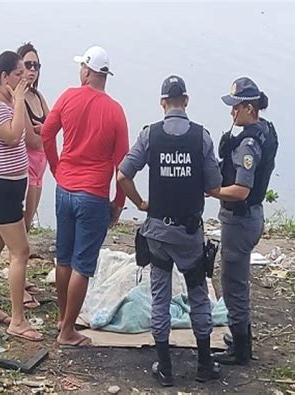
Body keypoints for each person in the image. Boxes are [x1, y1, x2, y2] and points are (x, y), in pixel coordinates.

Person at [117, 76, 222, 386]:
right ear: (186, 101)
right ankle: (204, 365)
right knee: (199, 296)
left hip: (158, 233)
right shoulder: (201, 137)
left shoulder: (151, 135)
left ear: (163, 103)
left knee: (160, 297)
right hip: (189, 236)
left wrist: (140, 203)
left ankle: (164, 368)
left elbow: (123, 175)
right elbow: (214, 185)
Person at [42, 46, 129, 347]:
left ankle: (62, 318)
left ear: (88, 72)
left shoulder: (67, 97)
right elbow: (123, 166)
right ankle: (67, 330)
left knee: (64, 258)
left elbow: (46, 134)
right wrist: (118, 204)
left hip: (64, 189)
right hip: (92, 195)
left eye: (82, 67)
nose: (80, 71)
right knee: (83, 264)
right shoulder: (115, 110)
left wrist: (56, 168)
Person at [210, 77, 278, 365]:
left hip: (240, 221)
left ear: (249, 108)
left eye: (236, 107)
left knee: (233, 282)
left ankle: (240, 349)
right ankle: (241, 336)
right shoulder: (263, 132)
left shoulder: (249, 144)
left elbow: (241, 190)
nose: (232, 113)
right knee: (238, 281)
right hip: (249, 218)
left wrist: (212, 191)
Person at [0, 50, 43, 341]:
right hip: (0, 189)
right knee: (21, 251)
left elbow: (29, 136)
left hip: (9, 186)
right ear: (4, 77)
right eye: (18, 73)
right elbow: (13, 136)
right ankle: (17, 319)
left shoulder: (6, 100)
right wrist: (18, 100)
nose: (24, 77)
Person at [16, 42, 50, 309]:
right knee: (22, 224)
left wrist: (44, 131)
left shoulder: (38, 97)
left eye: (36, 65)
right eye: (28, 65)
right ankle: (16, 277)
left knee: (29, 223)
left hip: (41, 165)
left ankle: (22, 275)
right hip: (26, 163)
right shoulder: (18, 99)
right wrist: (43, 130)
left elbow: (51, 129)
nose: (32, 70)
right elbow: (34, 138)